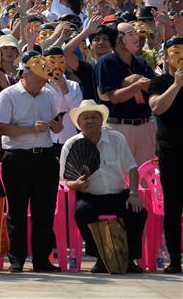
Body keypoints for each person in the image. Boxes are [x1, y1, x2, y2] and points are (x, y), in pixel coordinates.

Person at [61, 100, 147, 273]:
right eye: (85, 118)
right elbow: (64, 180)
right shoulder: (70, 144)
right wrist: (75, 184)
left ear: (102, 121)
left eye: (94, 117)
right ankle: (101, 257)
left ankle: (129, 258)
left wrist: (133, 193)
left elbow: (131, 168)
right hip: (89, 196)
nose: (90, 121)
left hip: (118, 194)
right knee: (82, 212)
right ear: (79, 123)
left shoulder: (117, 139)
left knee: (138, 212)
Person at [0, 51, 64, 272]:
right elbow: (1, 128)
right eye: (37, 80)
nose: (41, 84)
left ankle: (42, 259)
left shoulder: (47, 94)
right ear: (24, 75)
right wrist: (29, 129)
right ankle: (16, 259)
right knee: (16, 211)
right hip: (17, 157)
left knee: (44, 211)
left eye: (43, 80)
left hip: (44, 156)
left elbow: (57, 123)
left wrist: (56, 126)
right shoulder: (8, 95)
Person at [94, 23, 156, 164]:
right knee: (120, 178)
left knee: (146, 177)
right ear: (118, 40)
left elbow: (154, 88)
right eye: (131, 33)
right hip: (119, 127)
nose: (137, 37)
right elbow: (114, 97)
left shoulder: (141, 62)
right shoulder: (106, 62)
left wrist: (136, 82)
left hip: (145, 125)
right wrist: (138, 85)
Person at [147, 37, 183, 273]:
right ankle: (174, 259)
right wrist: (177, 84)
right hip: (171, 152)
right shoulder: (160, 82)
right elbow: (157, 107)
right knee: (173, 206)